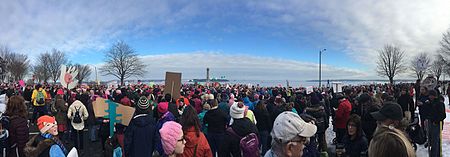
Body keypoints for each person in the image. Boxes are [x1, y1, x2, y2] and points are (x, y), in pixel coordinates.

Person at [426, 89, 446, 157]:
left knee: (435, 140)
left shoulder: (440, 103)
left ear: (435, 96)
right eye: (430, 95)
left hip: (437, 124)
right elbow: (428, 112)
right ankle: (436, 153)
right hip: (430, 123)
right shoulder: (430, 103)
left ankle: (434, 154)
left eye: (432, 95)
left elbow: (442, 115)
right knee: (433, 139)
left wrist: (436, 121)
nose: (431, 97)